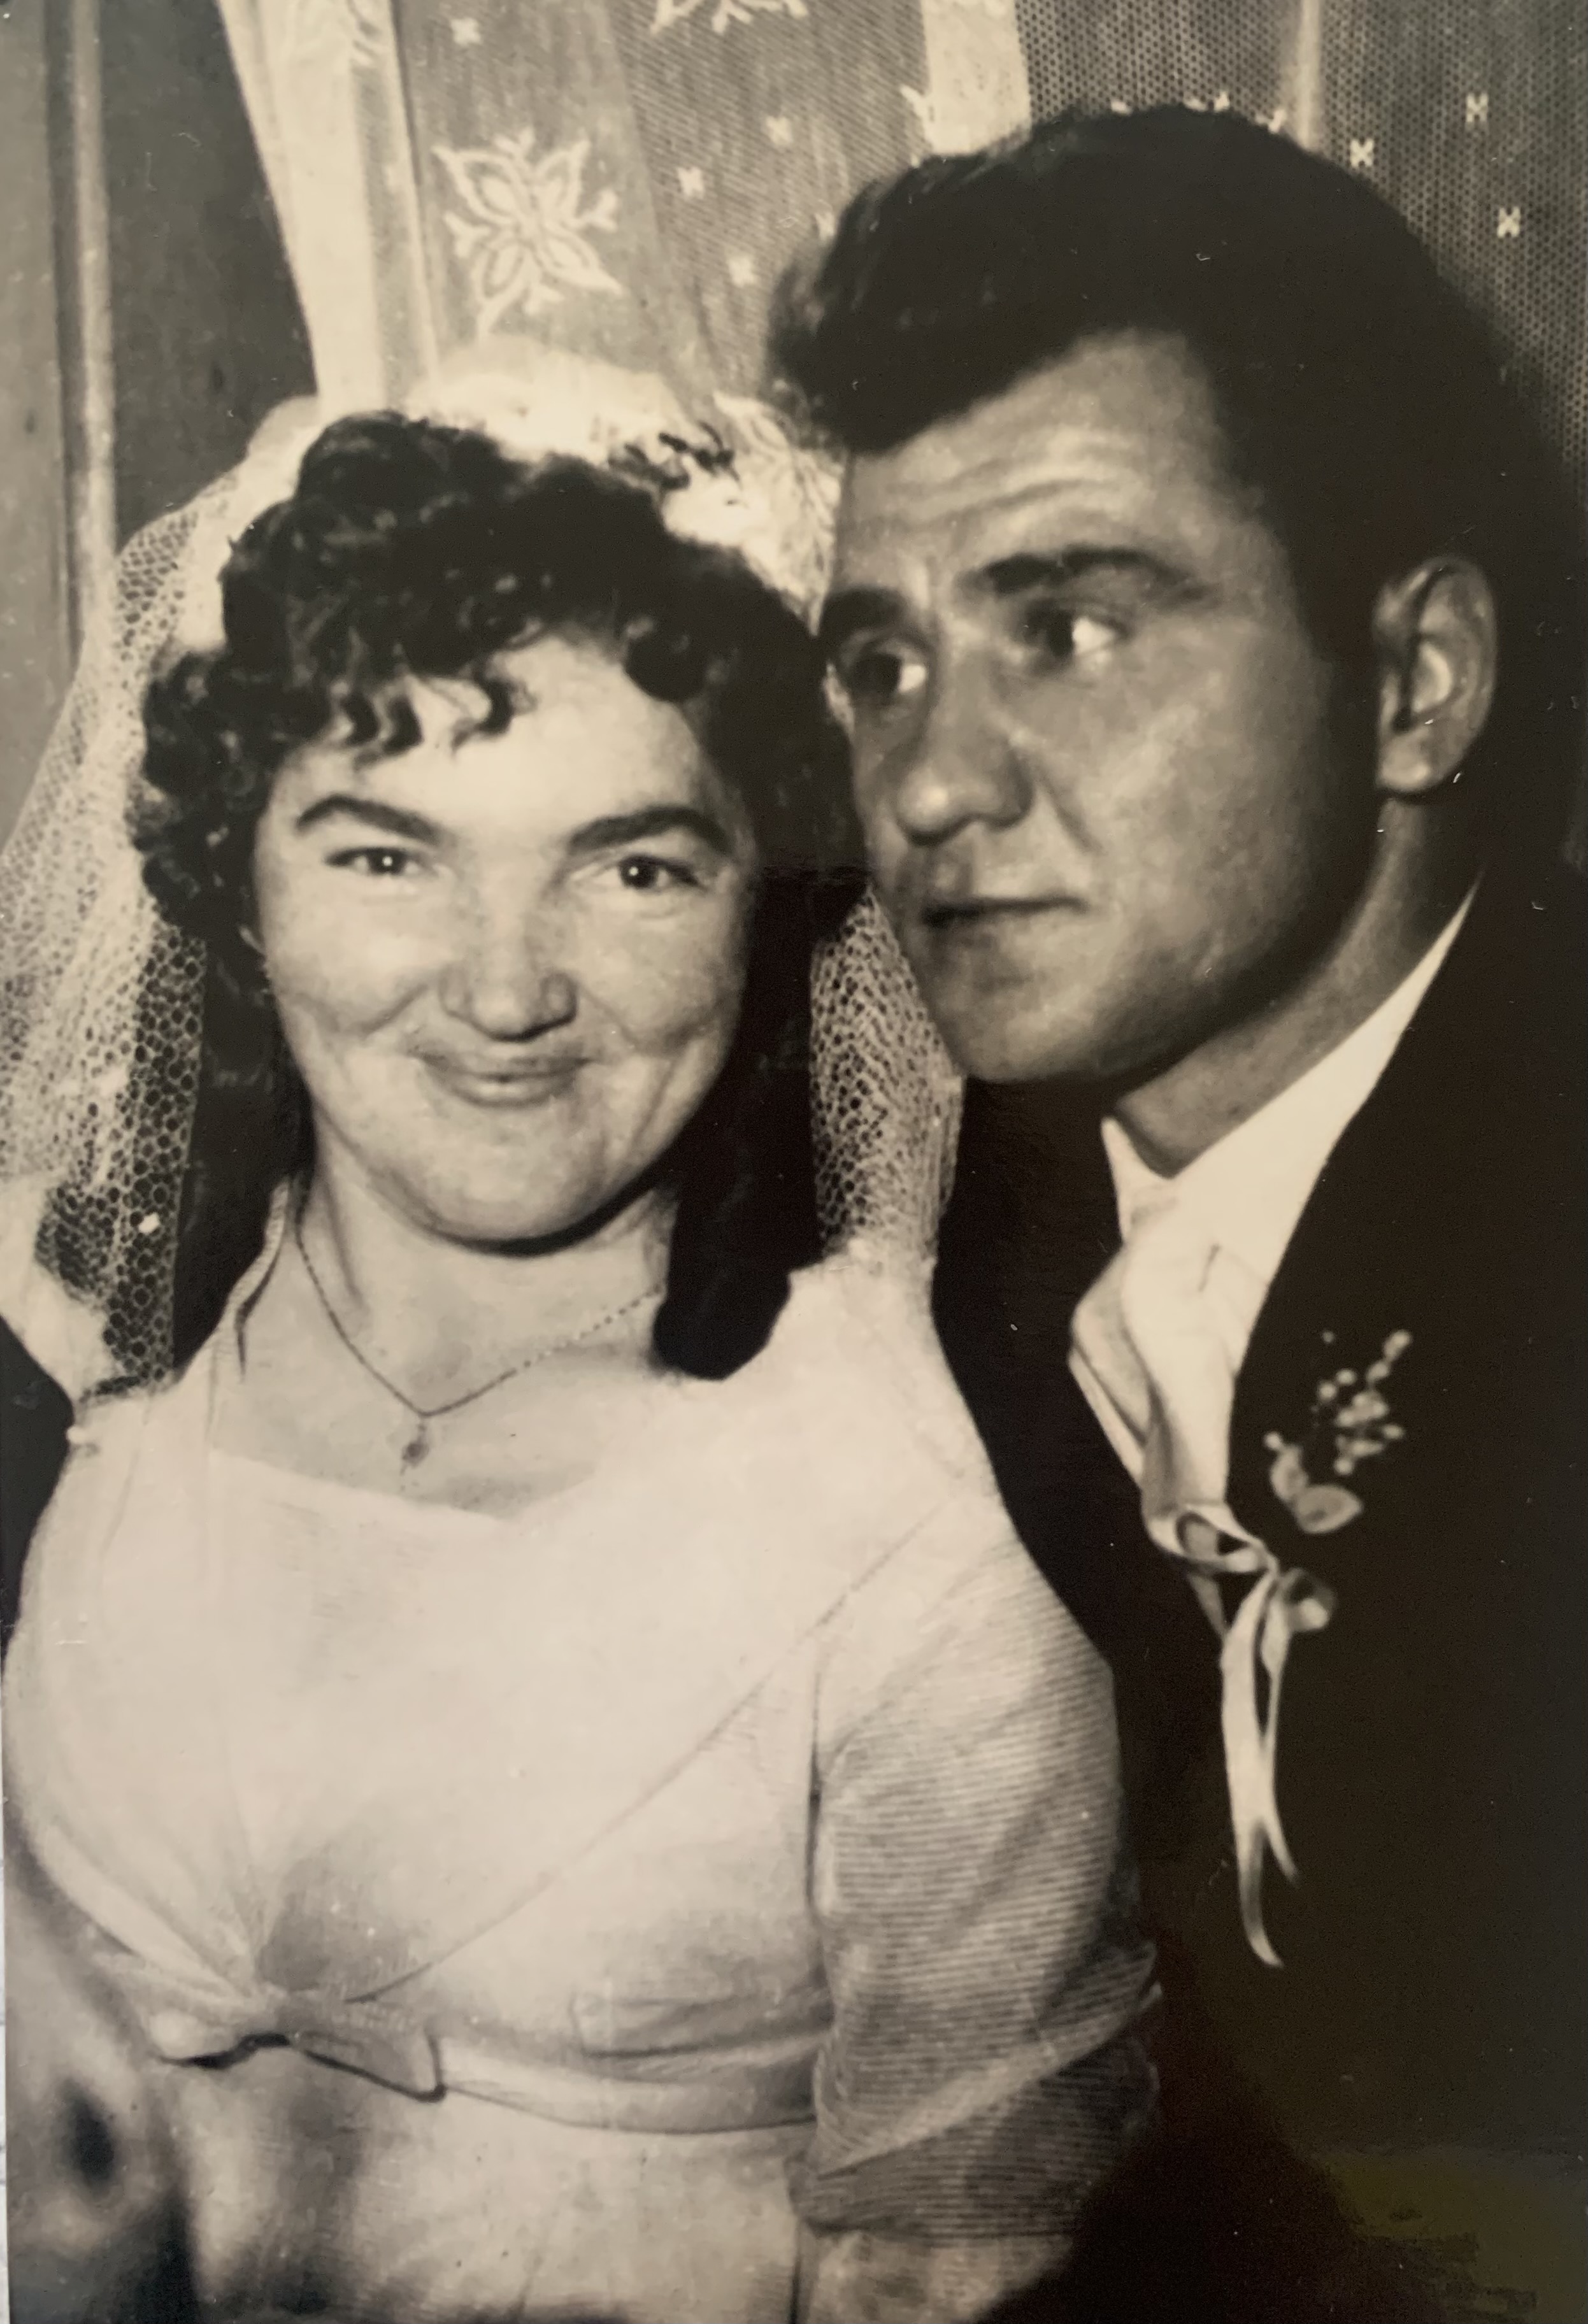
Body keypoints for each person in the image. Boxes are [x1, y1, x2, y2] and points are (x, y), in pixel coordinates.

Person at [1, 401, 1157, 2324]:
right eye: (390, 855)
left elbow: (971, 2256)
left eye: (635, 870)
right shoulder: (89, 1362)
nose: (507, 988)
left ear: (767, 897)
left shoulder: (923, 1501)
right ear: (237, 876)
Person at [773, 105, 1587, 2318]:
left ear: (1416, 684)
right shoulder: (986, 1216)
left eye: (1072, 624)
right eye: (881, 661)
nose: (932, 781)